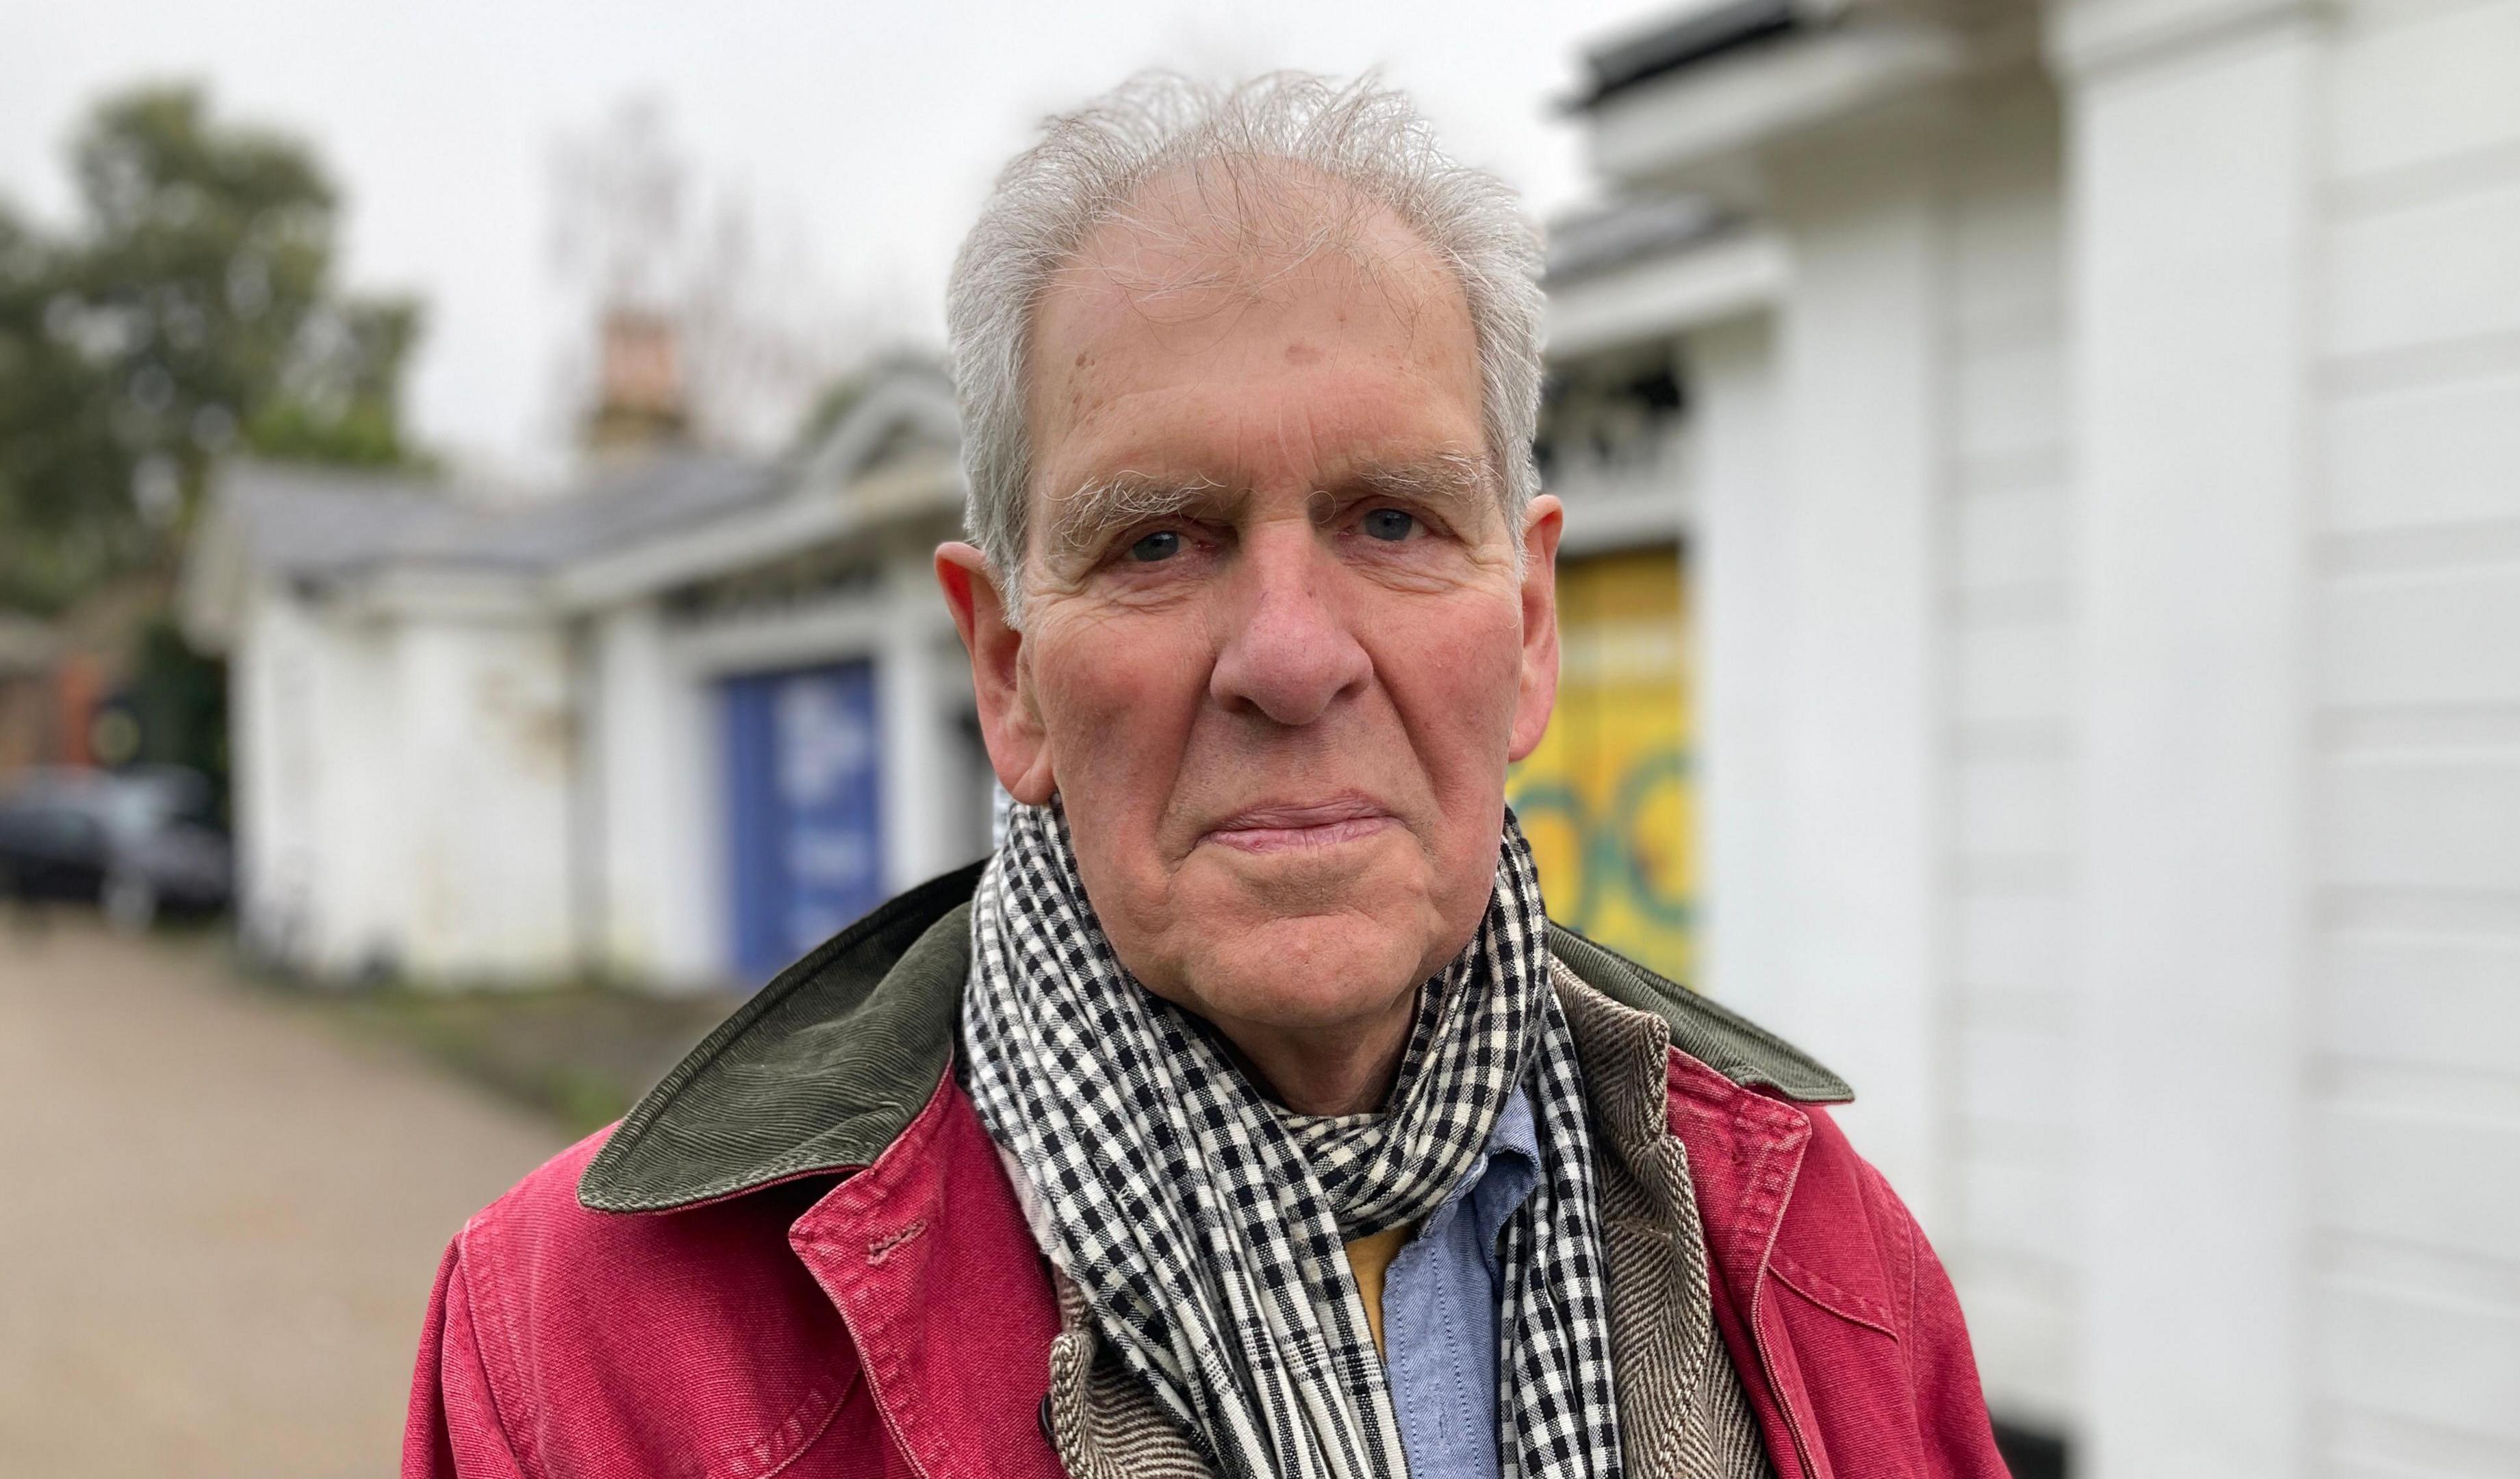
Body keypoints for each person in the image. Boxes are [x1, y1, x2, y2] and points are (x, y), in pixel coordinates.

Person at [403, 72, 2009, 1479]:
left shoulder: (1822, 1255)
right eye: (1160, 540)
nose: (1292, 657)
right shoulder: (584, 1349)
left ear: (1527, 634)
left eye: (1393, 519)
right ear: (1009, 672)